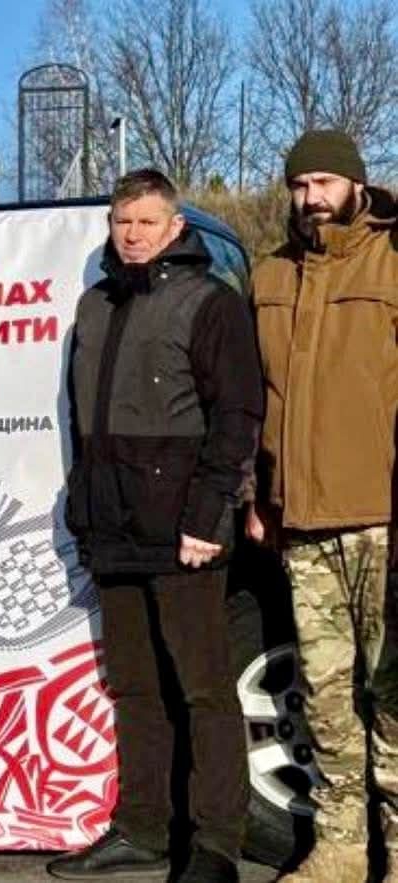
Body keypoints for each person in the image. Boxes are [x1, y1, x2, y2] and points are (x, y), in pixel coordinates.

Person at [48, 170, 262, 883]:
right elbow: (80, 419)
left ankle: (216, 845)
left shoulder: (209, 303)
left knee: (203, 689)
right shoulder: (96, 305)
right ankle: (142, 829)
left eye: (147, 222)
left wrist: (208, 515)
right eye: (122, 222)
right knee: (135, 688)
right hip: (113, 526)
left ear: (175, 227)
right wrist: (84, 504)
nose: (133, 234)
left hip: (183, 532)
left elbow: (237, 416)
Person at [246, 130, 398, 883]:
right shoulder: (271, 274)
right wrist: (258, 494)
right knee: (327, 697)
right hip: (301, 523)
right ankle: (339, 849)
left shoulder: (392, 261)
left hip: (382, 517)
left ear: (356, 186)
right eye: (299, 185)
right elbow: (253, 399)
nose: (311, 198)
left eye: (325, 183)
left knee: (393, 695)